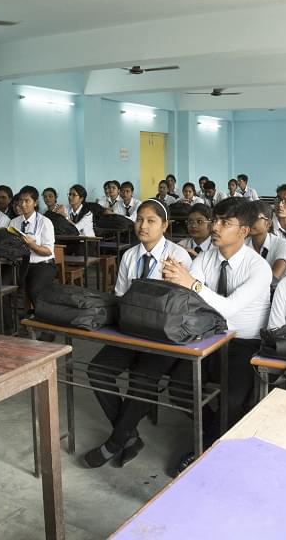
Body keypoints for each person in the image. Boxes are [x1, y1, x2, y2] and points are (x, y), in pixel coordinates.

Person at [163, 198, 272, 473]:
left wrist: (191, 282)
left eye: (225, 222)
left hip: (245, 343)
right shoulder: (207, 257)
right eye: (215, 220)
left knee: (232, 399)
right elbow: (189, 293)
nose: (215, 227)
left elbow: (229, 308)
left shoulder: (259, 268)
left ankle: (204, 449)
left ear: (243, 231)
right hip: (209, 337)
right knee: (178, 387)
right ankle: (216, 429)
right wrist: (175, 275)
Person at [84, 199, 193, 468]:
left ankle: (115, 441)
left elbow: (179, 305)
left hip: (165, 334)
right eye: (139, 219)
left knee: (143, 377)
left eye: (151, 221)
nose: (143, 226)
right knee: (97, 370)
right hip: (133, 329)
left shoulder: (179, 256)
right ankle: (130, 435)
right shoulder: (130, 255)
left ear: (165, 226)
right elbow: (121, 295)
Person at [10, 186, 56, 309]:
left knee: (34, 289)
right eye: (21, 201)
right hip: (21, 265)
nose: (23, 204)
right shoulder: (14, 222)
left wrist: (32, 245)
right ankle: (17, 317)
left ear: (35, 203)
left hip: (43, 264)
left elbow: (48, 251)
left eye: (27, 201)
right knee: (8, 287)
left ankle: (42, 317)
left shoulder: (44, 222)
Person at [245, 200, 286, 283]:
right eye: (247, 218)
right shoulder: (243, 245)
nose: (249, 222)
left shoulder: (282, 244)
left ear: (268, 223)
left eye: (254, 218)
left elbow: (275, 277)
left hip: (277, 289)